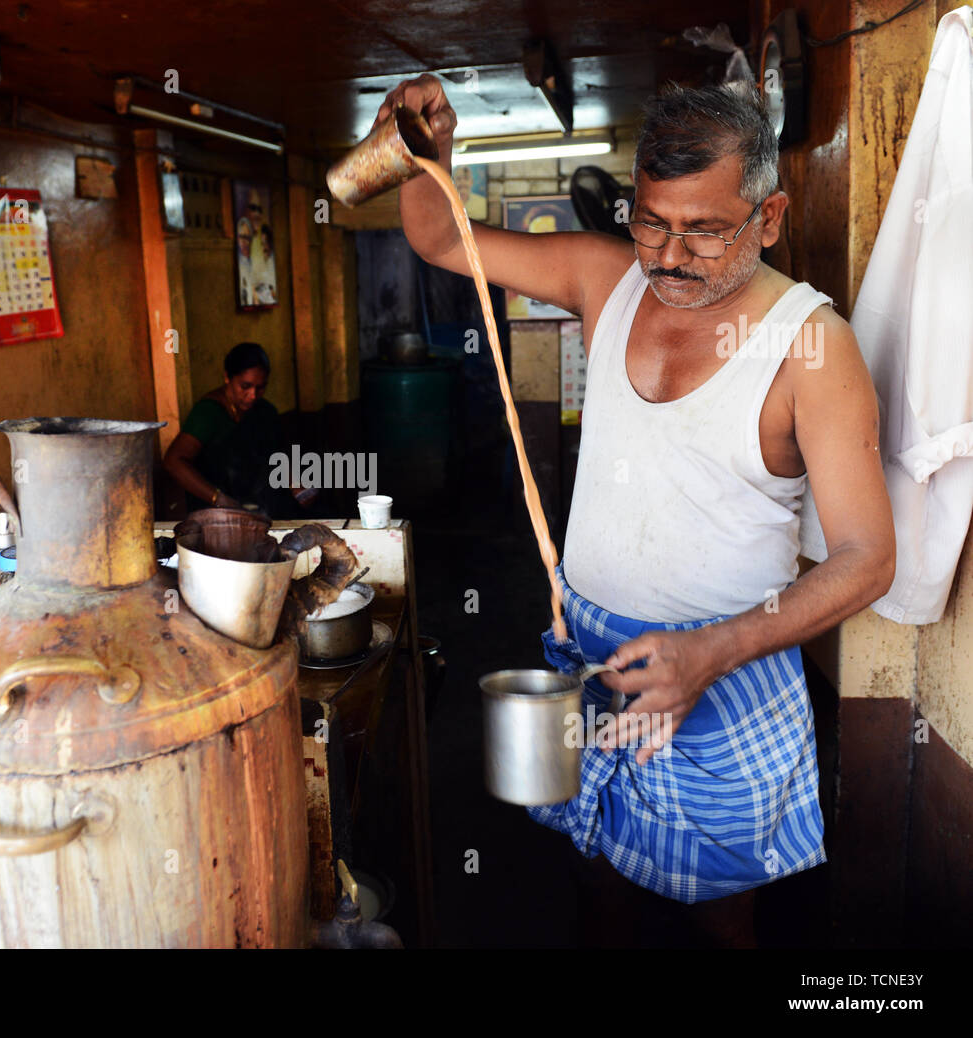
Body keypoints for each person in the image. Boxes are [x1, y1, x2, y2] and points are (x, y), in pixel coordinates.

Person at [383, 75, 895, 946]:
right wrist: (418, 146)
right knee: (596, 873)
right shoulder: (604, 279)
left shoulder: (811, 346)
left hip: (730, 667)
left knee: (722, 915)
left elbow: (867, 557)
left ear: (767, 218)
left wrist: (713, 651)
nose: (667, 256)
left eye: (702, 231)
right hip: (594, 653)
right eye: (652, 222)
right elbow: (437, 237)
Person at [163, 342, 316, 516]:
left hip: (260, 506)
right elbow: (173, 461)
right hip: (217, 514)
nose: (252, 395)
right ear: (227, 377)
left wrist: (295, 483)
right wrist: (218, 499)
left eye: (260, 387)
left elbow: (277, 454)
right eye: (245, 386)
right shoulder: (208, 413)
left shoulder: (265, 411)